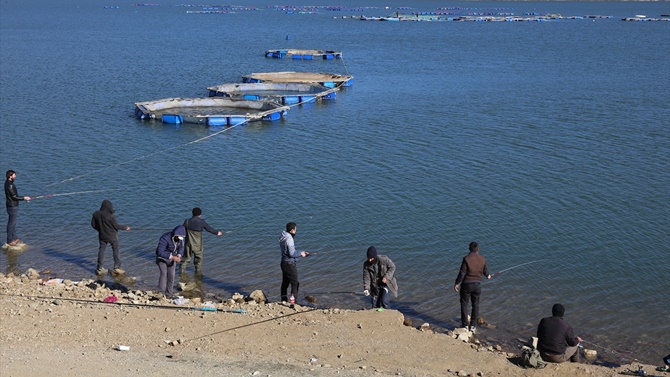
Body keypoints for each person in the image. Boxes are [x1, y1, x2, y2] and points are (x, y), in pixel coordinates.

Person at [454, 241, 491, 333]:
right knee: (475, 305)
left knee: (464, 304)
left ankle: (465, 325)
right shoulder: (483, 259)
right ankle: (473, 326)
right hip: (477, 285)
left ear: (469, 249)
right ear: (478, 249)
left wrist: (457, 283)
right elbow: (486, 272)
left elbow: (462, 273)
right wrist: (488, 276)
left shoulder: (466, 259)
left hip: (466, 285)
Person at [91, 199, 130, 276]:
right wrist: (125, 227)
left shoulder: (96, 214)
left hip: (102, 235)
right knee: (115, 250)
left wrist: (100, 230)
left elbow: (93, 225)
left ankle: (99, 267)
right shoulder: (110, 216)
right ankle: (117, 267)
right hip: (112, 236)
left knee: (101, 250)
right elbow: (116, 226)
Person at [179, 207, 222, 276]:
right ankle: (198, 274)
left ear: (192, 213)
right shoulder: (201, 222)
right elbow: (209, 229)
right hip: (197, 245)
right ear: (200, 214)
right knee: (198, 260)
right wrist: (217, 233)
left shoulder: (186, 221)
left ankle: (181, 272)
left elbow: (182, 229)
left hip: (188, 244)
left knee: (186, 258)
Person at [279, 222, 308, 304]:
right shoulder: (289, 239)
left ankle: (283, 300)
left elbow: (289, 252)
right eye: (295, 230)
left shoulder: (283, 236)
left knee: (285, 283)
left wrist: (301, 252)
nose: (296, 231)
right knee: (295, 283)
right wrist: (301, 254)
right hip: (289, 264)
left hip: (283, 262)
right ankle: (294, 302)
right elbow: (291, 254)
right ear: (292, 230)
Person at [155, 225, 186, 298]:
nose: (179, 239)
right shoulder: (164, 238)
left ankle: (169, 294)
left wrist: (179, 255)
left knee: (171, 276)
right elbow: (160, 251)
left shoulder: (180, 240)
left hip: (173, 258)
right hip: (162, 258)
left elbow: (181, 248)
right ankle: (161, 293)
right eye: (178, 237)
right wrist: (171, 257)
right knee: (163, 274)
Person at [4, 170, 31, 247]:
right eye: (14, 175)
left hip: (11, 205)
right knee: (11, 223)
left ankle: (14, 238)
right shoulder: (10, 185)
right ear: (10, 176)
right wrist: (24, 198)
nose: (15, 176)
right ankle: (9, 240)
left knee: (13, 223)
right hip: (12, 206)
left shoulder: (7, 182)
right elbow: (14, 197)